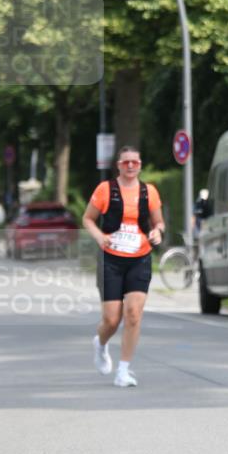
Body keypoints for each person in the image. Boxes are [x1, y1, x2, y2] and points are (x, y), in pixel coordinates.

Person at [82, 146, 164, 387]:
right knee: (111, 319)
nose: (130, 166)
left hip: (140, 257)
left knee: (133, 314)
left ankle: (123, 370)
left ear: (140, 165)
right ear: (118, 165)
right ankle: (101, 343)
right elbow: (88, 219)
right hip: (112, 259)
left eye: (135, 162)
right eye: (126, 162)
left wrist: (157, 232)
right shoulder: (105, 190)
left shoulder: (149, 191)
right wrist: (99, 236)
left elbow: (159, 222)